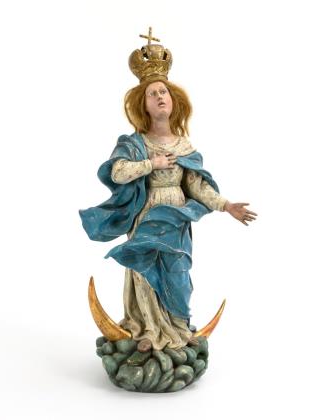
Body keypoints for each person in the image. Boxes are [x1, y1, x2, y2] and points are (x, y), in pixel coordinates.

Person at [80, 30, 257, 353]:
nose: (160, 97)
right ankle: (148, 329)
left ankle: (176, 328)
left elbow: (197, 186)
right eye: (152, 94)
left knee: (178, 272)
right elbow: (118, 172)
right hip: (147, 214)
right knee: (145, 273)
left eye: (163, 91)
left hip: (176, 217)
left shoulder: (184, 146)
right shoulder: (135, 143)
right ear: (143, 104)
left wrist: (226, 205)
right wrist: (152, 163)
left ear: (174, 99)